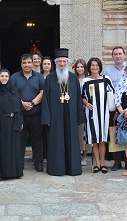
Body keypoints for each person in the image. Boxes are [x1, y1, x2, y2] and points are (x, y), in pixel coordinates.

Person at [41, 48, 85, 176]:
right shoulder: (49, 78)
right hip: (55, 116)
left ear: (68, 63)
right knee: (56, 141)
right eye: (59, 61)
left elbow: (77, 98)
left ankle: (72, 169)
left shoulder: (73, 78)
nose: (62, 64)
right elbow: (46, 99)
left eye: (64, 61)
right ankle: (57, 169)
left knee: (71, 141)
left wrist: (78, 116)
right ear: (56, 63)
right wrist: (47, 118)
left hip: (70, 115)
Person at [11, 54, 44, 172]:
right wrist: (22, 104)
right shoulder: (14, 77)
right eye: (24, 63)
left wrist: (32, 103)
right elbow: (12, 93)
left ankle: (39, 163)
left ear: (32, 63)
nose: (27, 65)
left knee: (37, 139)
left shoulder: (39, 77)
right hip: (20, 115)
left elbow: (42, 92)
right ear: (21, 64)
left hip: (36, 114)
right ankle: (19, 164)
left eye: (29, 62)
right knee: (20, 140)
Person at [82, 57, 113, 174]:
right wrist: (86, 103)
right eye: (92, 65)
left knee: (103, 139)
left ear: (100, 67)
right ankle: (97, 164)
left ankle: (103, 163)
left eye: (97, 65)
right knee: (94, 138)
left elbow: (112, 94)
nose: (94, 68)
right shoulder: (85, 81)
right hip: (91, 113)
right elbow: (82, 96)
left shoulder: (106, 79)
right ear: (89, 67)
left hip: (104, 113)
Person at [103, 47, 127, 171]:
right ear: (112, 56)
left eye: (120, 54)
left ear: (124, 55)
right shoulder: (107, 71)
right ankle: (117, 161)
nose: (118, 56)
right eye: (115, 54)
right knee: (115, 133)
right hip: (113, 107)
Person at [73, 59, 91, 166]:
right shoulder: (73, 79)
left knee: (86, 132)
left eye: (82, 67)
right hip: (76, 109)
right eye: (78, 67)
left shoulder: (89, 79)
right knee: (78, 133)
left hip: (87, 108)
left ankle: (84, 155)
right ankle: (77, 154)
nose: (80, 69)